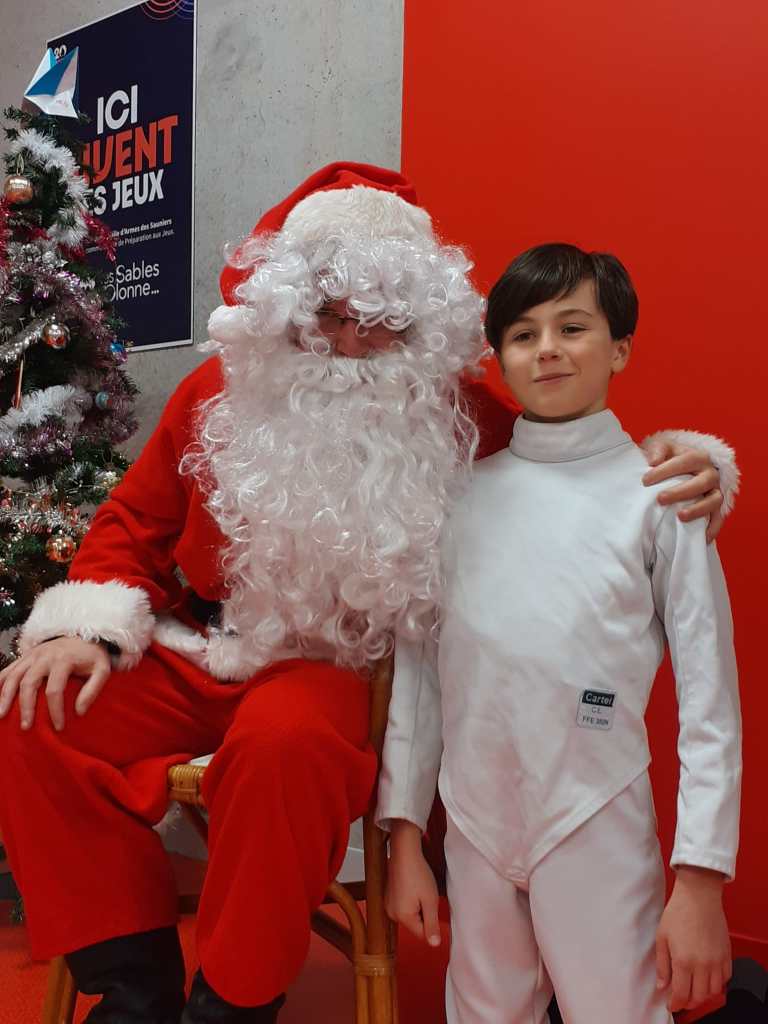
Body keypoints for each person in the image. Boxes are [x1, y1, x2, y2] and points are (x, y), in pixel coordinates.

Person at [0, 165, 732, 1024]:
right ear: (287, 308)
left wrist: (686, 464)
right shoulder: (219, 393)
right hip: (204, 646)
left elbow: (563, 459)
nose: (350, 342)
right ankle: (129, 977)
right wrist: (84, 628)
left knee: (285, 752)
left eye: (379, 320)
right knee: (36, 711)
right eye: (329, 315)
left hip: (334, 667)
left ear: (419, 322)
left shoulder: (457, 413)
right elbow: (135, 520)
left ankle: (232, 998)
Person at [378, 243, 741, 1024]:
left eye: (572, 328)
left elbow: (711, 703)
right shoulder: (456, 501)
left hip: (593, 813)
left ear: (620, 348)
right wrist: (405, 836)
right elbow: (422, 675)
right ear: (499, 357)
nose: (547, 349)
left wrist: (701, 878)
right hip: (474, 821)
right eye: (523, 334)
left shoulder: (661, 496)